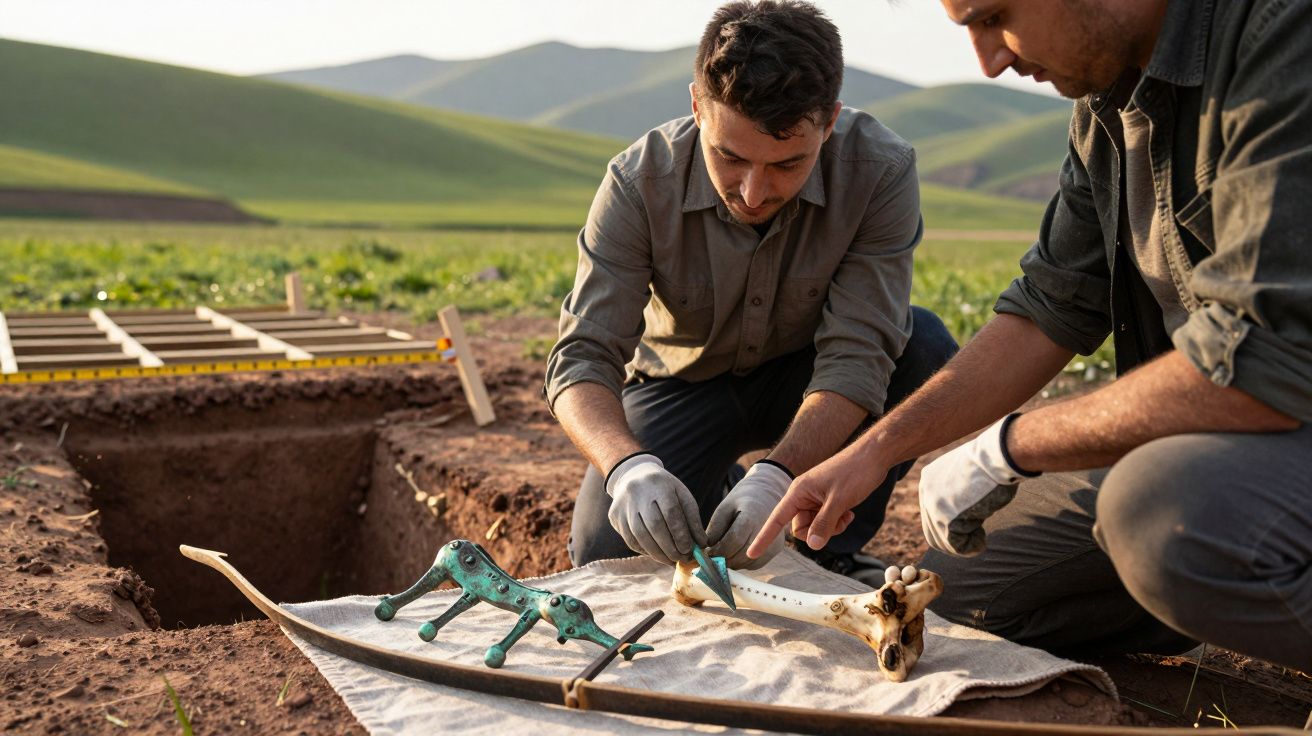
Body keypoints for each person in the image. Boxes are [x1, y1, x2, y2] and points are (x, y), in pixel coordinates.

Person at [747, 0, 1312, 670]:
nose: (989, 62)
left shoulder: (1282, 33)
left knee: (1158, 516)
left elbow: (1262, 362)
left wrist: (1009, 445)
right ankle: (1212, 587)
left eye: (993, 17)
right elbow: (1049, 307)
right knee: (968, 598)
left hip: (1280, 412)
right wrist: (874, 453)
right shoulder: (1107, 100)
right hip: (1237, 441)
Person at [544, 0, 957, 582]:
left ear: (830, 122)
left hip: (808, 377)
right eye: (729, 157)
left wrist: (781, 475)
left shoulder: (880, 171)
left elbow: (859, 353)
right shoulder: (638, 183)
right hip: (679, 388)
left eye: (788, 164)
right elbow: (582, 357)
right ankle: (719, 491)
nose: (754, 191)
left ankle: (824, 547)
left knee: (924, 346)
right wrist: (628, 469)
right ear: (696, 106)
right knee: (607, 550)